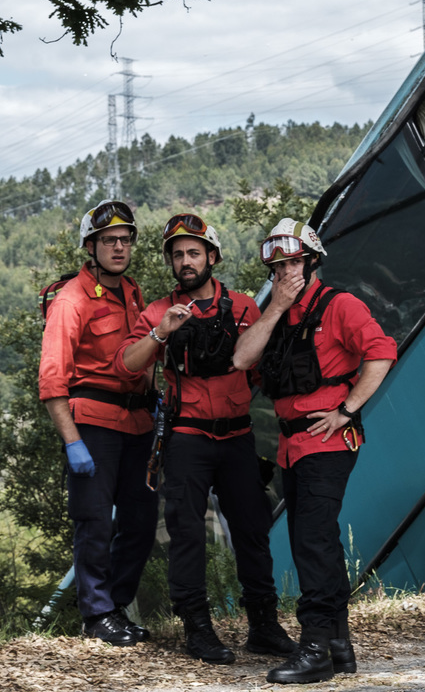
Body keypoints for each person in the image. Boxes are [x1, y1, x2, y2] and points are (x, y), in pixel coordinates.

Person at [115, 214, 296, 664]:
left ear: (212, 256)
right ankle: (198, 630)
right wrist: (163, 332)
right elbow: (127, 365)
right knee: (188, 535)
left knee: (253, 531)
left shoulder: (243, 307)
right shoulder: (159, 311)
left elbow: (259, 370)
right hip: (186, 438)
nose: (185, 261)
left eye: (194, 253)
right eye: (177, 255)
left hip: (236, 436)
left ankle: (264, 626)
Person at [232, 218, 396, 684]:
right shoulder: (277, 317)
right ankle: (339, 647)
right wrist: (275, 308)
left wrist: (346, 409)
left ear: (312, 261)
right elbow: (243, 360)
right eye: (278, 267)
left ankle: (316, 647)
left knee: (312, 540)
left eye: (293, 263)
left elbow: (381, 353)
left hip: (326, 441)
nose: (285, 272)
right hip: (291, 446)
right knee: (314, 542)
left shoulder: (340, 305)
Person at [39, 200, 158, 646]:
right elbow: (52, 379)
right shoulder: (71, 299)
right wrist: (73, 441)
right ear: (92, 247)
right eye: (109, 241)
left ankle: (116, 608)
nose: (119, 247)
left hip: (138, 422)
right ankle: (96, 616)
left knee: (142, 522)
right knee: (94, 522)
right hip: (94, 425)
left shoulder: (132, 291)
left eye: (125, 240)